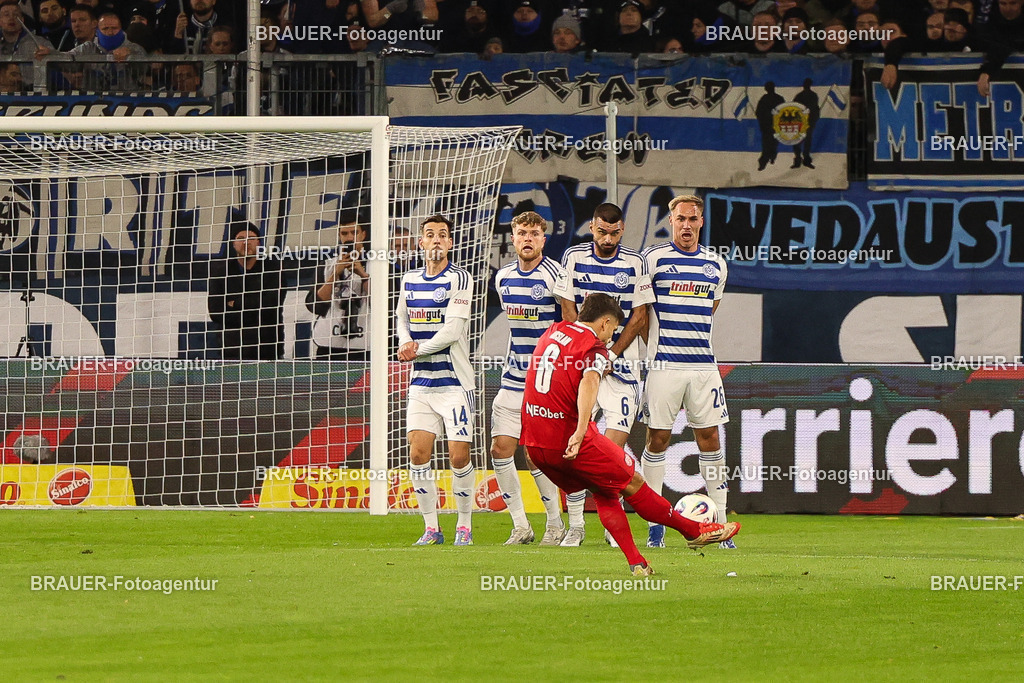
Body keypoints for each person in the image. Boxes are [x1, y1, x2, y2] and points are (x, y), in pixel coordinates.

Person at [521, 292, 740, 576]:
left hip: (536, 445)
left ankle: (638, 563)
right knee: (633, 481)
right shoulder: (593, 348)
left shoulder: (554, 331)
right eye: (612, 329)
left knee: (605, 490)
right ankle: (693, 530)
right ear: (605, 322)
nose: (611, 337)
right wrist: (579, 431)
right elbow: (590, 381)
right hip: (570, 440)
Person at [554, 202, 655, 547]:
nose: (608, 238)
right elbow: (567, 307)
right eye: (602, 232)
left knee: (610, 453)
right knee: (573, 444)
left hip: (622, 368)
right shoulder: (573, 257)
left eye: (614, 233)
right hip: (583, 365)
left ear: (622, 229)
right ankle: (576, 525)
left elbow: (640, 316)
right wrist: (589, 349)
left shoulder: (636, 262)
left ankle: (613, 525)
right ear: (592, 228)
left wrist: (610, 353)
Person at [641, 194, 735, 548]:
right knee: (657, 439)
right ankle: (655, 524)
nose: (686, 225)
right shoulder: (652, 260)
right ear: (670, 221)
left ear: (701, 222)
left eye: (692, 219)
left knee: (709, 438)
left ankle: (721, 524)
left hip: (703, 366)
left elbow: (710, 310)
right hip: (664, 365)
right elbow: (641, 314)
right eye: (680, 219)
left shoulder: (716, 264)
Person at [491, 211, 571, 546]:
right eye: (522, 233)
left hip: (545, 382)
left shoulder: (557, 275)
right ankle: (521, 526)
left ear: (543, 239)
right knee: (500, 449)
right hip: (512, 379)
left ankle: (555, 524)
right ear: (513, 238)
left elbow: (570, 324)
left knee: (537, 455)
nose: (527, 238)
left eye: (534, 233)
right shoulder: (503, 277)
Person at [396, 215, 476, 546]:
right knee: (418, 455)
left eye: (443, 234)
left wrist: (417, 349)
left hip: (454, 383)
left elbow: (453, 330)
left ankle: (464, 525)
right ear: (421, 243)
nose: (437, 239)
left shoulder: (460, 278)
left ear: (451, 243)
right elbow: (401, 317)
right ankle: (432, 528)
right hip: (421, 384)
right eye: (430, 235)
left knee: (458, 457)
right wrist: (405, 341)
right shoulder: (409, 279)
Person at [207, 221, 285, 361]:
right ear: (233, 243)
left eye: (251, 238)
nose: (246, 242)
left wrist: (235, 304)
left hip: (267, 350)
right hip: (231, 350)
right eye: (241, 238)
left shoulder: (273, 270)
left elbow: (270, 306)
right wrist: (253, 308)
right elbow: (216, 312)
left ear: (259, 243)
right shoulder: (221, 272)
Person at [306, 211, 370, 361]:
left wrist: (363, 275)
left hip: (366, 343)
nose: (349, 238)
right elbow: (314, 306)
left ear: (363, 235)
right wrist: (335, 274)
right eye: (344, 233)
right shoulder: (327, 265)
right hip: (329, 343)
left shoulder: (378, 264)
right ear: (340, 236)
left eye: (354, 232)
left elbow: (384, 305)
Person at [68, 11, 147, 92]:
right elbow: (65, 59)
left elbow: (145, 70)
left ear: (121, 29)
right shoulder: (87, 48)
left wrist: (130, 56)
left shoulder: (135, 49)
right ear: (97, 31)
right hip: (94, 97)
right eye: (105, 29)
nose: (110, 32)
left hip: (127, 97)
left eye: (114, 28)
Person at [0, 0, 54, 90]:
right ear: (0, 21)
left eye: (16, 14)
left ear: (22, 20)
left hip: (32, 93)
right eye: (6, 15)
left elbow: (57, 66)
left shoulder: (40, 43)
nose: (12, 18)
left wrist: (51, 54)